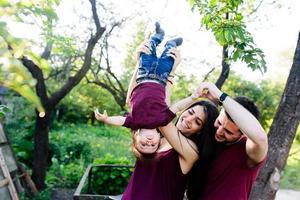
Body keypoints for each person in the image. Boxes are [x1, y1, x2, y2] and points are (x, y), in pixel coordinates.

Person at [95, 22, 185, 155]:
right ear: (159, 138)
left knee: (147, 50)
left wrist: (107, 119)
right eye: (153, 145)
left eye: (143, 144)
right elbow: (176, 107)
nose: (149, 142)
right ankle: (170, 43)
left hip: (143, 74)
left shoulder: (134, 121)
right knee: (169, 56)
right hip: (162, 77)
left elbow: (120, 120)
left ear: (136, 136)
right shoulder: (162, 120)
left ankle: (157, 36)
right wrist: (193, 96)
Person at [186, 82, 268, 200]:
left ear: (244, 133)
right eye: (219, 123)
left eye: (228, 132)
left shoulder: (250, 151)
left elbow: (260, 138)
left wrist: (220, 95)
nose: (219, 132)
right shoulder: (208, 136)